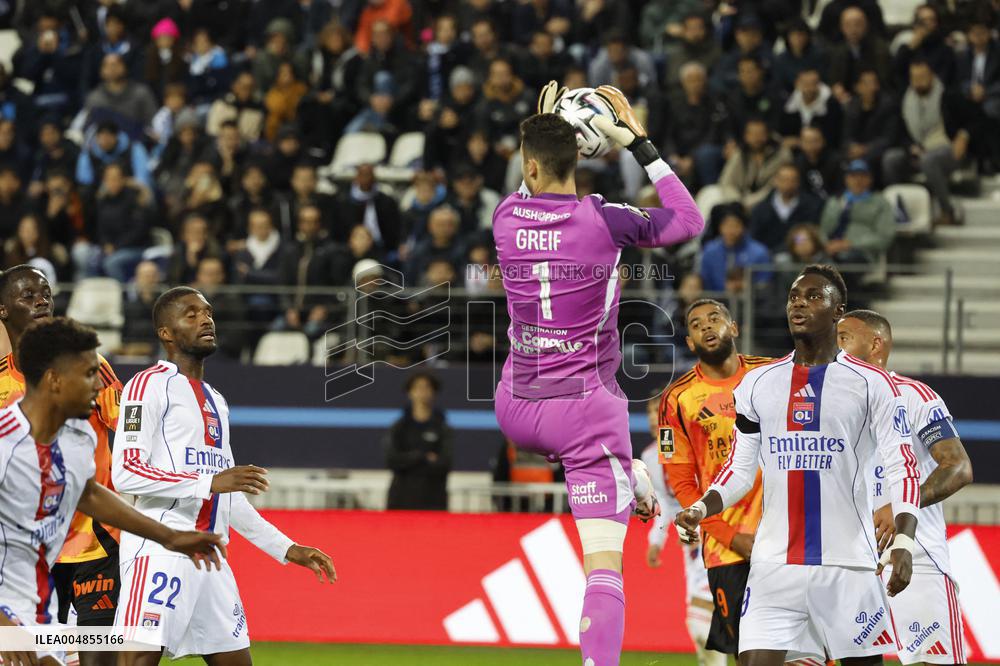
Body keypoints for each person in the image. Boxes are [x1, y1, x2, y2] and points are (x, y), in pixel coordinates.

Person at [493, 82, 704, 665]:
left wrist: (542, 123)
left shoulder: (505, 217)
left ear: (529, 163)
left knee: (609, 461)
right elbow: (688, 220)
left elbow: (532, 174)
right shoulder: (605, 219)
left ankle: (628, 472)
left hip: (514, 405)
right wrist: (638, 142)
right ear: (580, 157)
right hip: (584, 413)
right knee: (604, 566)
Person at [675, 264, 922, 664]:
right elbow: (739, 469)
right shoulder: (758, 384)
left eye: (812, 296)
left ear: (838, 309)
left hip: (848, 567)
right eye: (793, 297)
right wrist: (701, 507)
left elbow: (902, 467)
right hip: (774, 566)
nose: (799, 304)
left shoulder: (872, 384)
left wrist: (905, 543)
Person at [112, 287, 336, 664]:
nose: (206, 320)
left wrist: (287, 549)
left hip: (211, 557)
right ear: (165, 333)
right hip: (161, 548)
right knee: (137, 661)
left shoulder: (216, 399)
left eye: (209, 312)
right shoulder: (146, 385)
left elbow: (230, 496)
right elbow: (126, 472)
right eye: (191, 314)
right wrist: (208, 482)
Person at [0, 317, 222, 666]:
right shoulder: (5, 443)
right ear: (55, 380)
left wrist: (171, 537)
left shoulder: (79, 438)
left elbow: (88, 495)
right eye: (88, 375)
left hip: (38, 597)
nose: (98, 385)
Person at [0, 266, 124, 666]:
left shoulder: (89, 367)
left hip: (95, 541)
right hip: (30, 553)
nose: (41, 301)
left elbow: (129, 432)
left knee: (98, 658)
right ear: (3, 310)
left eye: (46, 293)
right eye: (28, 295)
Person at [837, 310, 973, 666]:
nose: (835, 347)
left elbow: (957, 467)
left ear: (875, 343)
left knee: (931, 662)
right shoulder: (832, 404)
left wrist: (902, 506)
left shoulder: (914, 396)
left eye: (844, 338)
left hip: (916, 555)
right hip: (848, 561)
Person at [660, 299, 771, 660]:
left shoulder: (771, 375)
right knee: (745, 654)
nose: (707, 327)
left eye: (715, 319)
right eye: (696, 324)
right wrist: (728, 535)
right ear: (690, 343)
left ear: (734, 328)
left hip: (786, 536)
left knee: (806, 648)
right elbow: (682, 483)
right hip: (726, 548)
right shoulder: (677, 399)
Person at [643, 394, 725, 666]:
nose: (655, 418)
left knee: (706, 618)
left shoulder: (698, 445)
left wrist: (699, 527)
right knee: (701, 624)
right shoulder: (649, 457)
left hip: (715, 534)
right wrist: (656, 541)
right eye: (650, 412)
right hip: (688, 540)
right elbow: (666, 504)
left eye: (660, 411)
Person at [386, 372, 453, 510]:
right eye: (417, 387)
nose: (422, 392)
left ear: (434, 392)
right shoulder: (399, 427)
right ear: (409, 392)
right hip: (400, 499)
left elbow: (445, 462)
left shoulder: (442, 428)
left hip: (434, 500)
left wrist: (408, 459)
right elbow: (392, 460)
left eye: (427, 387)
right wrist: (422, 456)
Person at [819, 159, 895, 264]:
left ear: (870, 179)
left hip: (862, 253)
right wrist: (826, 244)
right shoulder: (835, 201)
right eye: (853, 176)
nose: (858, 180)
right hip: (831, 250)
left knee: (844, 263)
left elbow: (884, 237)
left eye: (863, 176)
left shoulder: (880, 203)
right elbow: (823, 230)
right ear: (846, 179)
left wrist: (850, 244)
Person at [750, 165, 824, 252]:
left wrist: (795, 244)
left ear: (798, 182)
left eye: (792, 180)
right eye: (784, 179)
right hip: (767, 258)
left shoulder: (811, 206)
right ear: (775, 181)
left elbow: (809, 233)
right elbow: (755, 237)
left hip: (799, 255)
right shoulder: (761, 209)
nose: (788, 184)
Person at [700, 210, 772, 292]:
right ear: (720, 227)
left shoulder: (759, 253)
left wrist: (747, 287)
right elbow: (704, 283)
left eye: (735, 226)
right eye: (727, 225)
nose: (731, 231)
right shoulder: (709, 252)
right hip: (715, 301)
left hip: (752, 301)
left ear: (744, 227)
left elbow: (764, 284)